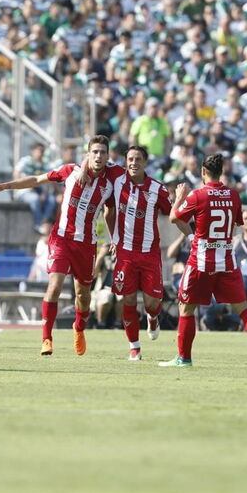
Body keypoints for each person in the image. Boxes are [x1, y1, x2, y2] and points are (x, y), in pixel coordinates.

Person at [0, 135, 117, 357]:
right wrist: (5, 186)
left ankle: (79, 328)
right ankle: (46, 338)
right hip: (62, 238)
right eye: (95, 152)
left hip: (86, 243)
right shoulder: (70, 171)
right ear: (88, 154)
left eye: (103, 152)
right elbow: (36, 180)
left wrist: (114, 237)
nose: (99, 156)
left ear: (107, 155)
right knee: (54, 285)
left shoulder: (110, 184)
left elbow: (110, 211)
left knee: (83, 295)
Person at [160, 153, 247, 369]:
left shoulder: (197, 195)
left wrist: (178, 197)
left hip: (201, 260)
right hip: (227, 261)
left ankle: (183, 358)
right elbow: (239, 222)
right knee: (244, 308)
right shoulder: (233, 196)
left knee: (186, 308)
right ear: (221, 172)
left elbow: (174, 218)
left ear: (203, 172)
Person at [107, 145, 175, 360]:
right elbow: (94, 164)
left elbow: (172, 213)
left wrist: (181, 200)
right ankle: (134, 347)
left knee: (151, 303)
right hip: (125, 252)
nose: (133, 163)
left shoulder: (157, 189)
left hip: (149, 253)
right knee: (127, 300)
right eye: (130, 159)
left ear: (145, 163)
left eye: (138, 159)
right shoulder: (117, 181)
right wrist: (113, 238)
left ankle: (153, 317)